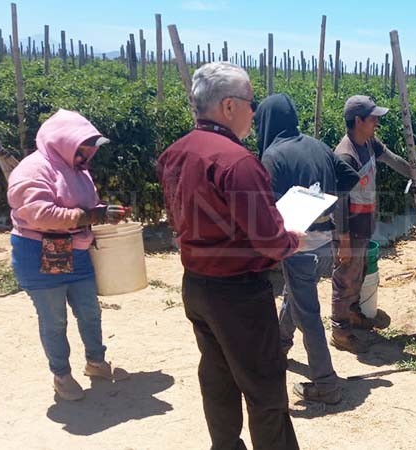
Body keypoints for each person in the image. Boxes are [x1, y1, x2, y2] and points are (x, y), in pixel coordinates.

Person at [157, 63, 301, 450]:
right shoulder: (238, 162)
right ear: (229, 106)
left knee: (217, 375)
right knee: (265, 387)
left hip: (196, 284)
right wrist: (292, 240)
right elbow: (270, 240)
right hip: (238, 292)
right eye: (250, 103)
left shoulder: (175, 153)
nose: (254, 112)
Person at [8, 108, 130, 401]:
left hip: (75, 252)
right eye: (83, 149)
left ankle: (95, 362)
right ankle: (61, 375)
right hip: (39, 253)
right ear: (64, 142)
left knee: (90, 311)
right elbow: (41, 214)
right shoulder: (33, 169)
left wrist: (102, 212)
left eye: (89, 150)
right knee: (54, 319)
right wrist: (89, 215)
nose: (88, 156)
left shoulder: (78, 170)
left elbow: (85, 208)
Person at [257, 93, 359, 405]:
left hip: (297, 244)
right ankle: (280, 346)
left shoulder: (273, 156)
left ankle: (326, 383)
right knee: (297, 295)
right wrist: (322, 198)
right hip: (324, 241)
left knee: (309, 314)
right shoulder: (320, 146)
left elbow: (266, 206)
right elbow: (351, 177)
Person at [331, 95, 416, 353]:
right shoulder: (345, 155)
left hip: (364, 222)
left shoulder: (368, 142)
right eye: (373, 118)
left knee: (358, 274)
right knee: (345, 278)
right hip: (351, 227)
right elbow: (339, 204)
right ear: (358, 120)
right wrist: (344, 241)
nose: (377, 121)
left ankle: (354, 315)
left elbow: (391, 159)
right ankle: (340, 331)